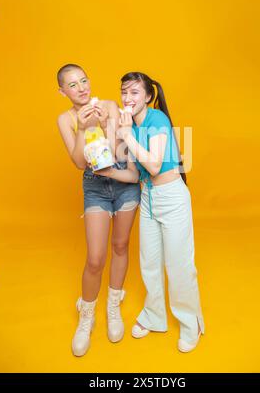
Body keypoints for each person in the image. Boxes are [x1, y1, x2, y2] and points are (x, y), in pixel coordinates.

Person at [96, 72, 205, 353]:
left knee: (179, 265)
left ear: (147, 96)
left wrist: (125, 135)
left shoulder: (157, 119)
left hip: (172, 197)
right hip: (148, 197)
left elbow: (155, 166)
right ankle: (154, 316)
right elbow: (135, 174)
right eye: (124, 92)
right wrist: (107, 170)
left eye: (134, 92)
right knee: (149, 262)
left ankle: (190, 323)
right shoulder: (130, 126)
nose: (127, 98)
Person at [56, 64, 141, 356]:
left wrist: (108, 124)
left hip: (123, 181)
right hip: (95, 185)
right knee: (95, 258)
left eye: (83, 80)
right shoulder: (65, 119)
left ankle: (113, 305)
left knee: (120, 245)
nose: (81, 88)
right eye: (72, 84)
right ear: (62, 91)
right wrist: (83, 127)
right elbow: (80, 162)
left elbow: (122, 152)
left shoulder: (108, 105)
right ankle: (86, 315)